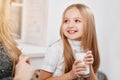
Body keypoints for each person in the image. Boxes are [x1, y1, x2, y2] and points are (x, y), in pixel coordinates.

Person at [39, 3, 100, 80]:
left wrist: (89, 67)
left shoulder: (88, 49)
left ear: (89, 25)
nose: (70, 25)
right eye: (66, 21)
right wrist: (70, 75)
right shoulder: (55, 49)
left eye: (77, 21)